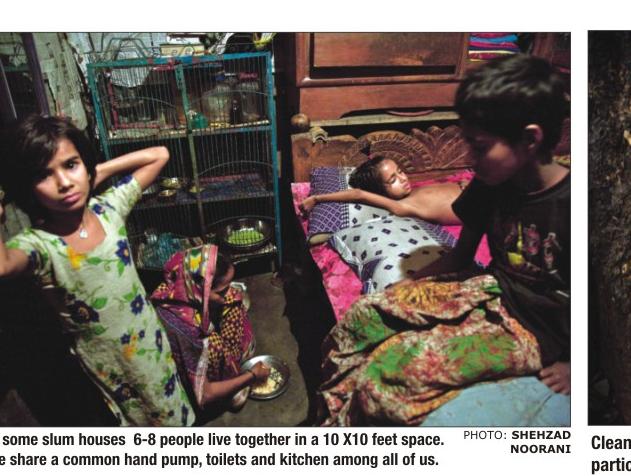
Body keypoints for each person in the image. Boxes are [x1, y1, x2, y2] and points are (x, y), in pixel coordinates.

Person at [317, 54, 570, 426]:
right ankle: (329, 416)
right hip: (490, 290)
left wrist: (576, 363)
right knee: (363, 317)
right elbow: (461, 255)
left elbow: (602, 305)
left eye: (480, 146)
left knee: (385, 377)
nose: (470, 158)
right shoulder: (490, 184)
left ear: (530, 139)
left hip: (535, 330)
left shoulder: (576, 206)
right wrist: (408, 288)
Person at [0, 114, 193, 426]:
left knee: (171, 409)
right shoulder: (39, 245)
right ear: (27, 188)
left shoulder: (108, 208)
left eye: (70, 164)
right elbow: (3, 265)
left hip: (149, 341)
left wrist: (93, 173)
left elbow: (159, 154)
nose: (64, 183)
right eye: (44, 175)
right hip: (110, 365)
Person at [151, 244, 270, 410]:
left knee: (235, 301)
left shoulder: (187, 286)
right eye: (221, 292)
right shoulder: (183, 328)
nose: (228, 293)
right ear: (201, 289)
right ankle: (225, 383)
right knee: (214, 345)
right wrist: (251, 375)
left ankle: (232, 364)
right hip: (200, 385)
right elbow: (205, 395)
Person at [300, 156, 463, 225]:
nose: (403, 178)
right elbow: (359, 194)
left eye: (400, 171)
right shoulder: (402, 206)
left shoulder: (414, 191)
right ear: (379, 192)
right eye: (393, 180)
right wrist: (316, 198)